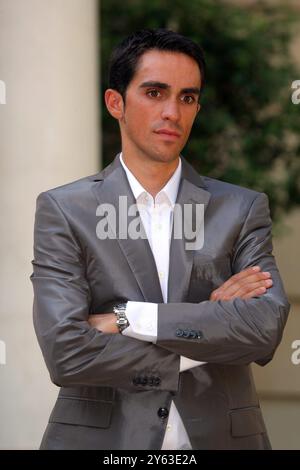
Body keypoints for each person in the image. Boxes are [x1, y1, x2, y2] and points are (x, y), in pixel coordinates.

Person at [31, 29, 290, 450]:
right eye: (155, 92)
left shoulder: (241, 208)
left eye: (187, 98)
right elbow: (66, 352)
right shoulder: (65, 210)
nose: (173, 111)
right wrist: (208, 323)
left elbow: (263, 330)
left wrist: (128, 319)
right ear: (116, 102)